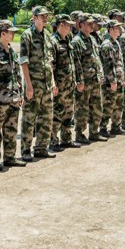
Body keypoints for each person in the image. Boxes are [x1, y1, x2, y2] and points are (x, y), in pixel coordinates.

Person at [0, 20, 26, 171]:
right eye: (11, 32)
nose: (13, 34)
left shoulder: (13, 51)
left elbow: (17, 74)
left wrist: (20, 93)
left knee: (11, 130)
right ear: (3, 33)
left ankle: (10, 157)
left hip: (13, 98)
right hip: (0, 99)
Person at [20, 6, 58, 161]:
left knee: (46, 118)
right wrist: (29, 85)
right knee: (29, 118)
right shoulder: (27, 36)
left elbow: (49, 61)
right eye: (42, 15)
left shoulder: (47, 35)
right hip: (34, 85)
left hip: (47, 85)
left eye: (46, 15)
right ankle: (25, 150)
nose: (45, 18)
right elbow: (24, 61)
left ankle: (41, 148)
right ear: (34, 17)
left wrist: (53, 82)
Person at [71, 13, 106, 143]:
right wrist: (79, 81)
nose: (92, 26)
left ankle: (94, 132)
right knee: (82, 109)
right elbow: (76, 63)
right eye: (89, 24)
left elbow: (97, 59)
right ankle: (79, 134)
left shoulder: (92, 39)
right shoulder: (76, 42)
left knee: (97, 107)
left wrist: (100, 74)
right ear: (81, 25)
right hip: (84, 81)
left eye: (93, 24)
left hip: (95, 80)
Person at [51, 14, 80, 150]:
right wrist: (54, 84)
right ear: (60, 25)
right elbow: (52, 65)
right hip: (60, 85)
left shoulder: (68, 39)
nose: (70, 28)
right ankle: (53, 141)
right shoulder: (53, 42)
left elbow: (72, 62)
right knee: (57, 112)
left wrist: (74, 79)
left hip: (69, 84)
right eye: (67, 25)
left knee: (69, 112)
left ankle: (66, 139)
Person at [100, 19, 125, 136]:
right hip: (110, 81)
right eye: (117, 28)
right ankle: (102, 128)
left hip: (119, 80)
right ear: (111, 29)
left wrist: (121, 78)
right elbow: (108, 65)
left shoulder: (116, 42)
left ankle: (116, 126)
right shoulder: (107, 44)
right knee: (108, 105)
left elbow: (120, 62)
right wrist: (112, 81)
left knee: (118, 105)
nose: (119, 30)